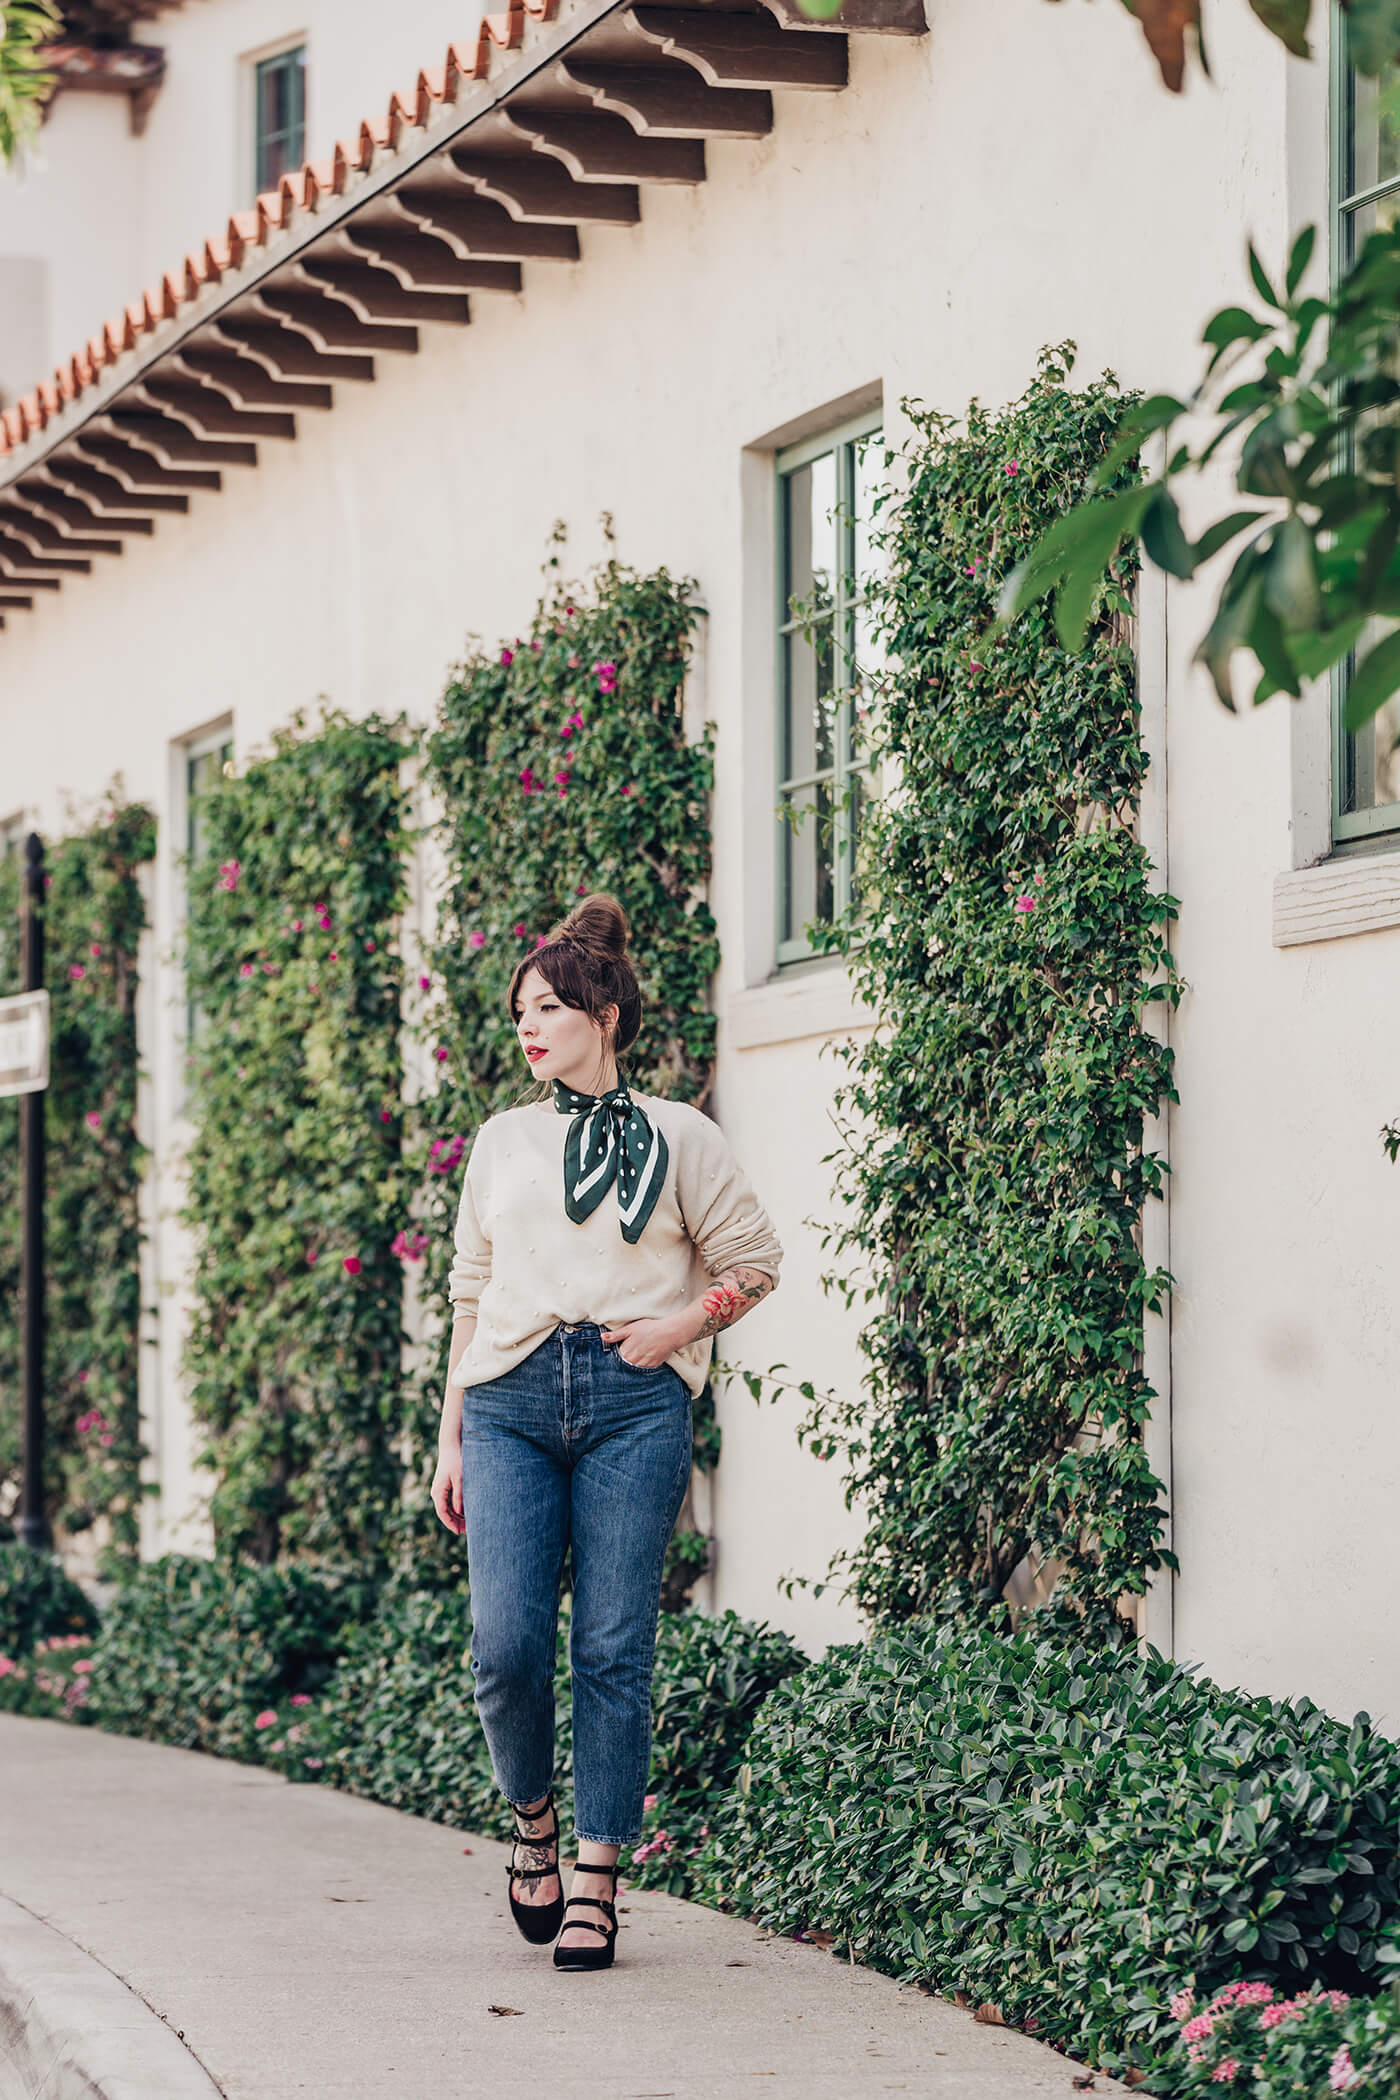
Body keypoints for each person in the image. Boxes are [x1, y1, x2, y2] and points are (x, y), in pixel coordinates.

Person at [430, 893, 783, 1971]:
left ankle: (595, 1877)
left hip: (635, 1400)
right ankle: (530, 1823)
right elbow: (468, 1291)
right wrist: (447, 1437)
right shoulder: (500, 1141)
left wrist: (677, 1326)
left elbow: (753, 1264)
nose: (528, 1028)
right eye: (520, 1012)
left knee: (614, 1646)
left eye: (548, 1008)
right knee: (505, 1648)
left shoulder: (683, 1136)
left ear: (606, 1015)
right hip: (508, 1401)